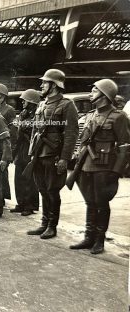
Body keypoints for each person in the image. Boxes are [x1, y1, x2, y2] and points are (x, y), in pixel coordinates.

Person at [69, 79, 130, 254]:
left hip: (104, 167)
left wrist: (116, 171)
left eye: (95, 90)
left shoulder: (118, 117)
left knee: (102, 203)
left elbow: (125, 147)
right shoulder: (90, 115)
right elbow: (83, 142)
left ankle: (99, 240)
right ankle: (89, 237)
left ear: (105, 94)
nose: (91, 93)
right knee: (90, 202)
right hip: (86, 165)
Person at [27, 69, 79, 239]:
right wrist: (31, 151)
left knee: (52, 190)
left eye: (45, 82)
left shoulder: (67, 105)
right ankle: (43, 223)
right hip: (39, 153)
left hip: (54, 155)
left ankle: (52, 226)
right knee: (42, 189)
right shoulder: (42, 105)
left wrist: (65, 158)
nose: (41, 85)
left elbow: (71, 133)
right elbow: (35, 129)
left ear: (54, 85)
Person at [11, 89, 40, 216]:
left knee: (29, 179)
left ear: (32, 102)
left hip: (30, 148)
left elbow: (35, 129)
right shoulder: (23, 114)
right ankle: (21, 203)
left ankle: (30, 205)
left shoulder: (37, 115)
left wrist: (22, 125)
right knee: (18, 177)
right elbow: (18, 130)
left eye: (25, 100)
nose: (22, 102)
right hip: (22, 147)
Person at [0, 83, 16, 204]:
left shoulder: (9, 110)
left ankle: (2, 198)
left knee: (2, 172)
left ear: (3, 97)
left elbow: (13, 129)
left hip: (3, 144)